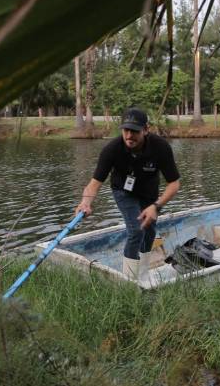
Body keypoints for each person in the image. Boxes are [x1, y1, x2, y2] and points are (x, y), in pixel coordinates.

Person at [76, 107, 180, 279]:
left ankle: (143, 274)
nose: (129, 136)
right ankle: (129, 281)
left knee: (149, 232)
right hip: (123, 191)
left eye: (135, 131)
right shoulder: (112, 149)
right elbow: (94, 184)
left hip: (149, 193)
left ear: (146, 130)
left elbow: (174, 184)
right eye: (126, 130)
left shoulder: (160, 147)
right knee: (137, 230)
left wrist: (156, 206)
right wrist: (85, 202)